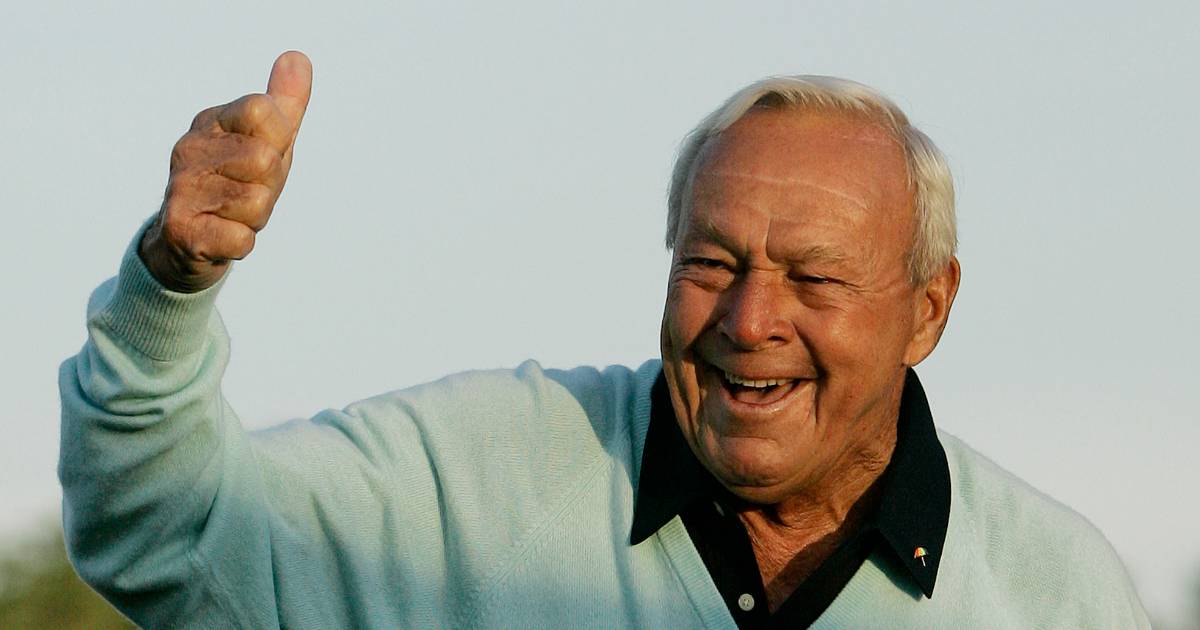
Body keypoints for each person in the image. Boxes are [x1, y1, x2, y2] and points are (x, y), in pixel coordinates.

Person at [59, 51, 1150, 628]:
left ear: (929, 310)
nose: (749, 321)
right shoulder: (473, 484)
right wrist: (168, 289)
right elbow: (165, 531)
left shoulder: (1058, 595)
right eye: (710, 263)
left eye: (813, 277)